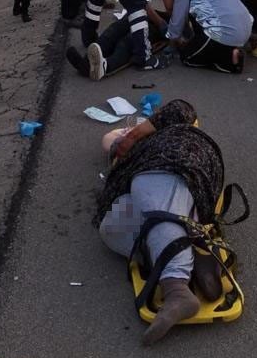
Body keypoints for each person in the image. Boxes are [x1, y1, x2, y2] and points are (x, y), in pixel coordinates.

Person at [95, 99, 224, 345]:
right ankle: (191, 254)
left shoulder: (173, 131)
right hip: (157, 184)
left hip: (179, 161)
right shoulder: (125, 160)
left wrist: (133, 135)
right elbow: (107, 140)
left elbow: (181, 107)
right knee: (111, 228)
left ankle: (176, 287)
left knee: (151, 186)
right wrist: (118, 144)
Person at [166, 0, 252, 73]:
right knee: (200, 12)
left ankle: (230, 60)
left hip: (223, 34)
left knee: (187, 58)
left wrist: (173, 43)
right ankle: (228, 47)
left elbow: (177, 23)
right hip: (246, 30)